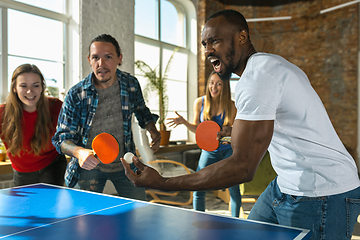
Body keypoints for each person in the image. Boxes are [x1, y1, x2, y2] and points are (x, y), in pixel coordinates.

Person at [121, 9, 360, 239]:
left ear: (242, 37)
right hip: (286, 184)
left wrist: (163, 182)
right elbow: (278, 125)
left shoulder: (258, 77)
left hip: (322, 193)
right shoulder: (268, 66)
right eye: (205, 44)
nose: (208, 50)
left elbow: (242, 167)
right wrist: (234, 131)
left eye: (215, 41)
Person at [52, 34, 161, 201]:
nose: (101, 64)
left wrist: (152, 129)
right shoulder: (76, 94)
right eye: (95, 57)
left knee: (139, 214)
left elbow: (141, 110)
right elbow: (62, 139)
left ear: (119, 59)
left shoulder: (131, 84)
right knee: (83, 221)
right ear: (89, 59)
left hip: (126, 163)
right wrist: (79, 152)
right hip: (89, 167)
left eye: (108, 57)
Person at [166, 71, 240, 217]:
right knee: (198, 187)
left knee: (234, 189)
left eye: (219, 84)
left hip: (228, 151)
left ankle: (237, 220)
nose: (214, 87)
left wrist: (230, 131)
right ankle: (199, 219)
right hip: (208, 151)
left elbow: (235, 133)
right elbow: (198, 129)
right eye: (212, 82)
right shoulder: (200, 103)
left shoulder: (232, 106)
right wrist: (184, 122)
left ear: (225, 86)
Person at [0, 64, 66, 186]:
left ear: (42, 87)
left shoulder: (56, 106)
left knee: (48, 203)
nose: (30, 91)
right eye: (23, 86)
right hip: (22, 170)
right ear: (14, 88)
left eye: (36, 85)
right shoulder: (2, 113)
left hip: (52, 165)